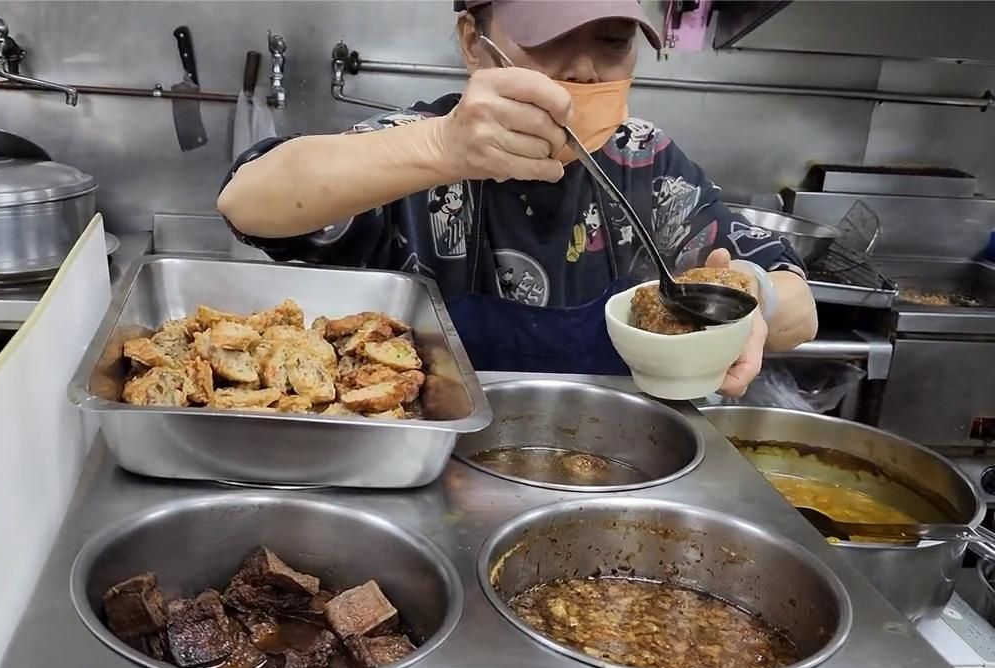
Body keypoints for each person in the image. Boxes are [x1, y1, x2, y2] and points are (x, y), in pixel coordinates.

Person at [218, 0, 818, 396]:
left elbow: (798, 305)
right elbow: (248, 201)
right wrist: (441, 148)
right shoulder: (412, 152)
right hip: (432, 478)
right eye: (551, 41)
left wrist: (750, 301)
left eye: (611, 43)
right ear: (474, 44)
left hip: (612, 479)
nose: (583, 70)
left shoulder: (645, 163)